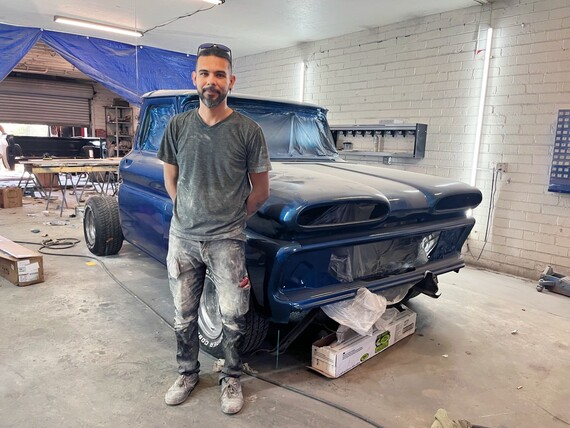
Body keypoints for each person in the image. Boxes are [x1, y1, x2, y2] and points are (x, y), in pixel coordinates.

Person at [157, 43, 271, 415]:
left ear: (231, 81)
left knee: (233, 316)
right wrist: (186, 214)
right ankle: (187, 373)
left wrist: (232, 220)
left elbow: (260, 191)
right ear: (195, 79)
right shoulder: (177, 126)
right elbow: (170, 180)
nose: (211, 81)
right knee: (183, 314)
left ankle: (231, 377)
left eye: (219, 74)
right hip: (184, 240)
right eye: (204, 73)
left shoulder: (248, 131)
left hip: (227, 241)